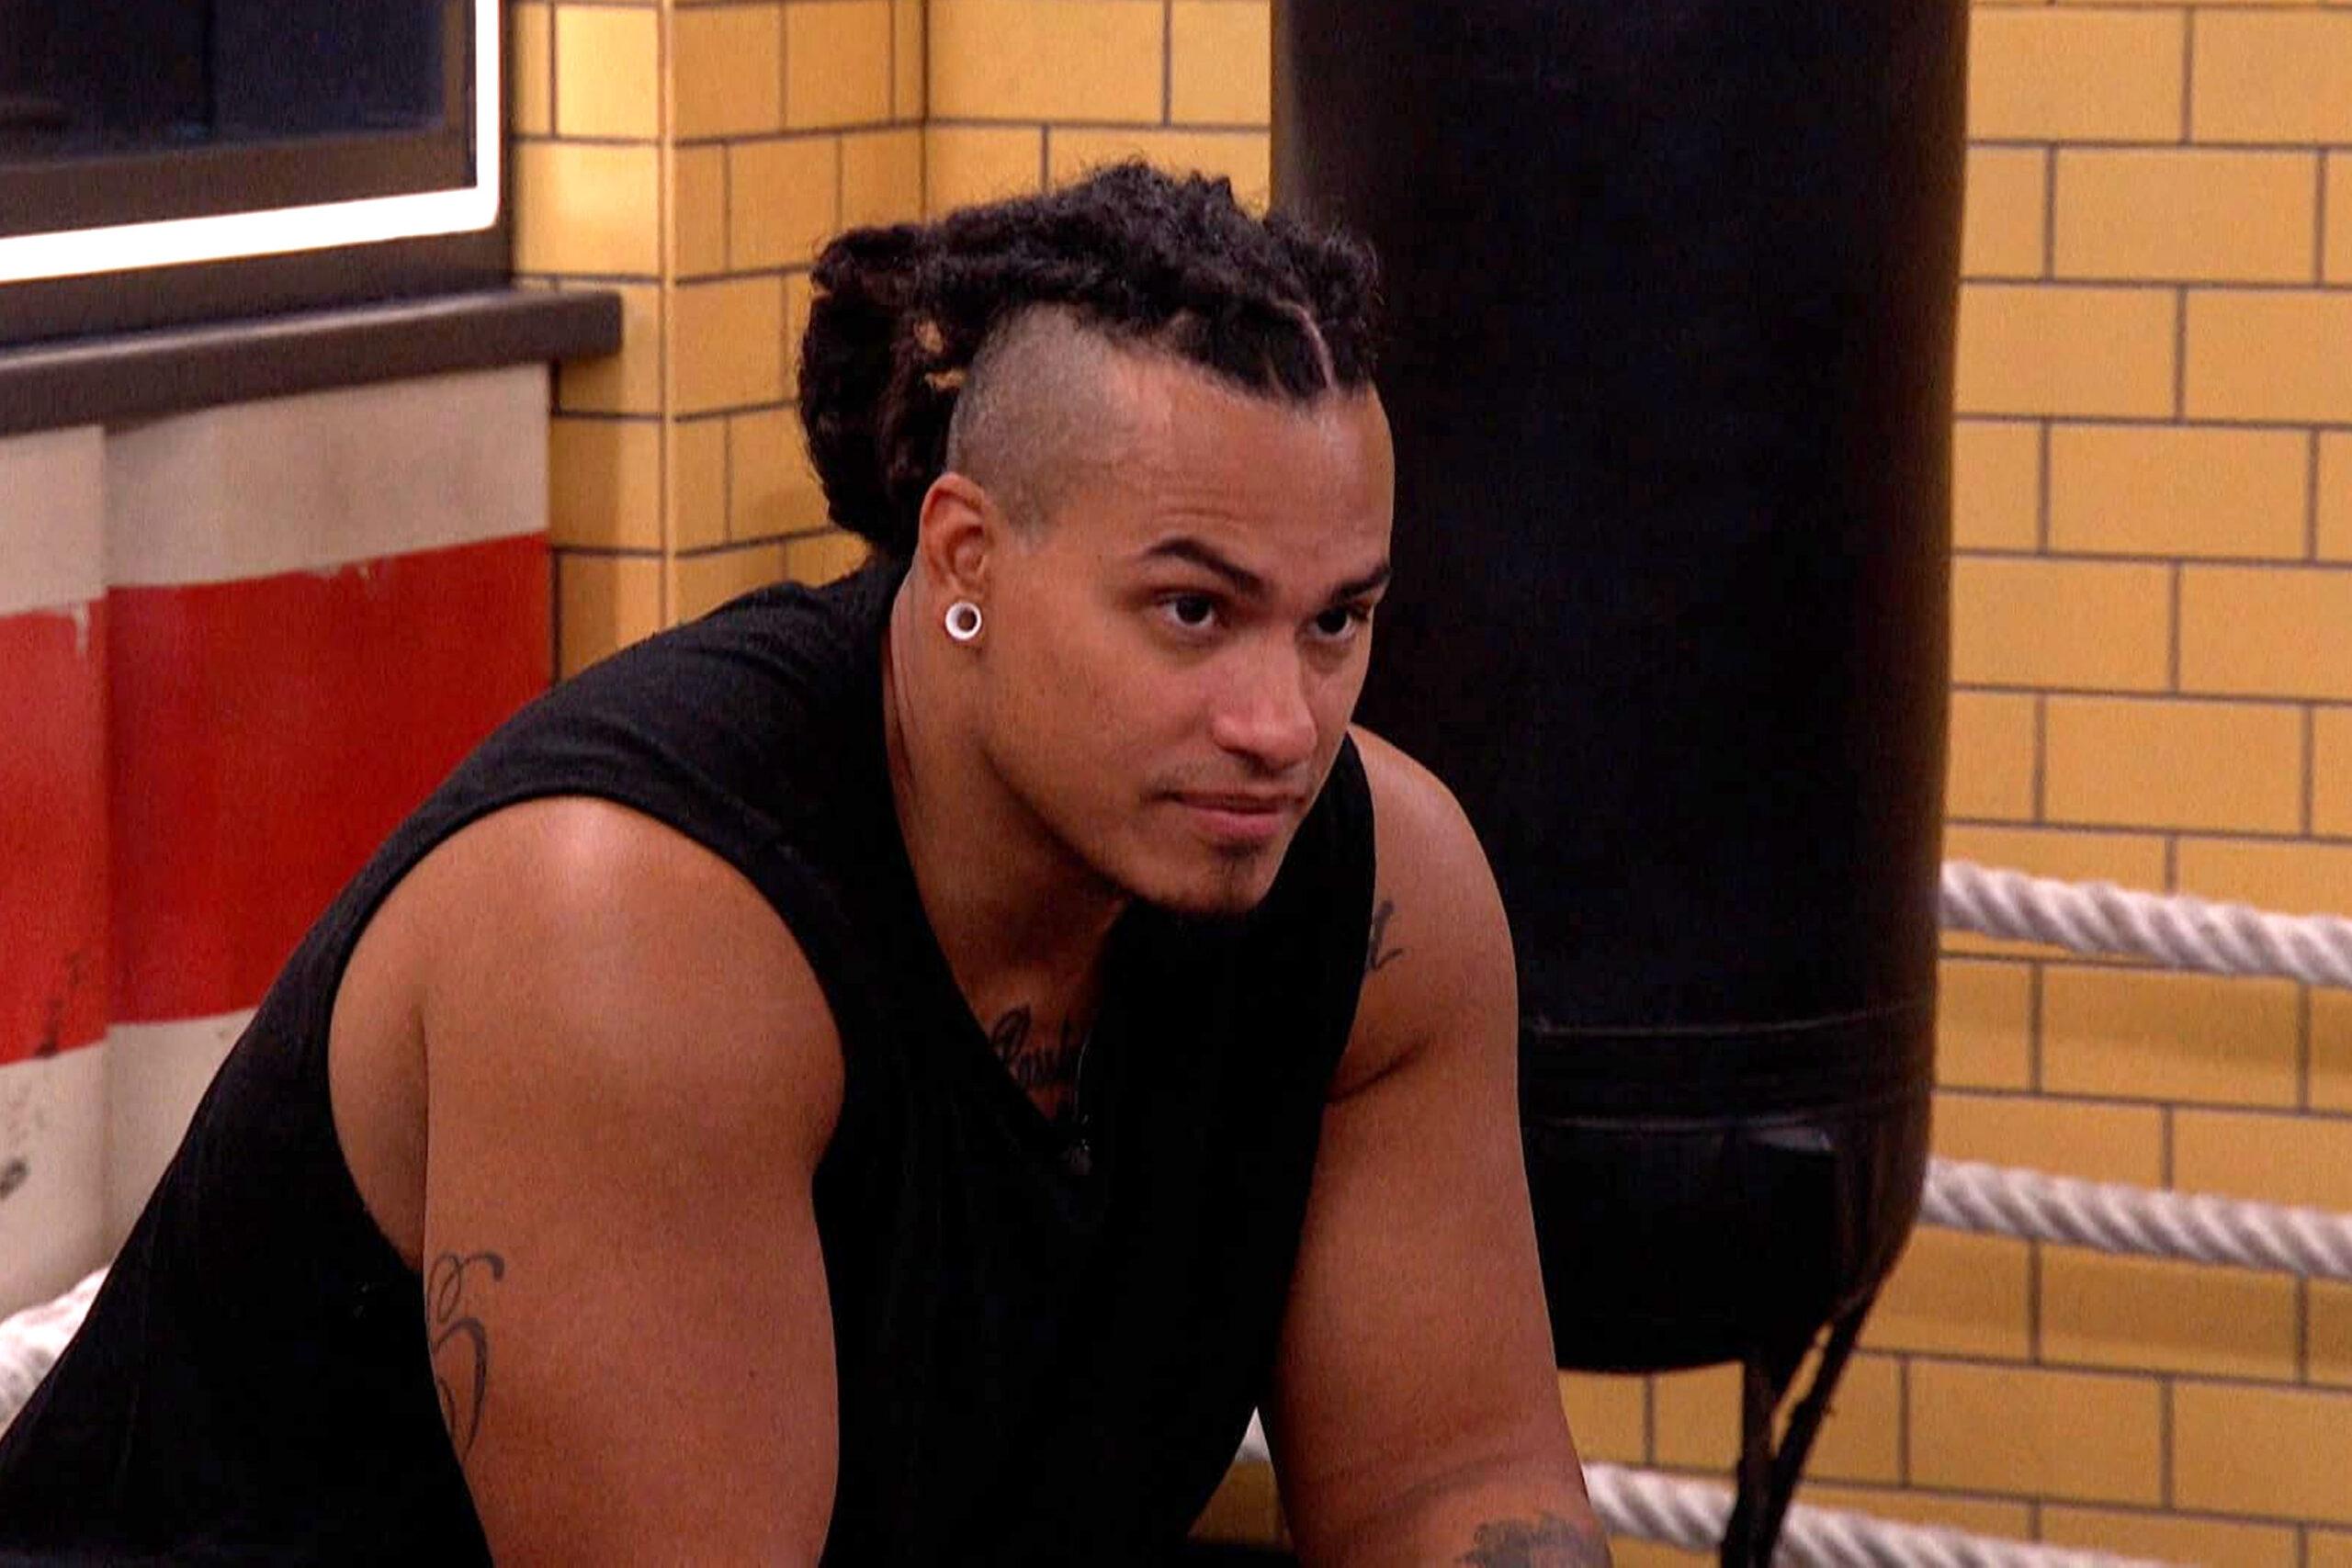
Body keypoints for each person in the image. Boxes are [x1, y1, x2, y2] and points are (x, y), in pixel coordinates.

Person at [0, 164, 1605, 1565]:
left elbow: (1449, 1487)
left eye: (1336, 620)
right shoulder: (642, 927)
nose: (1280, 723)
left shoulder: (1384, 901)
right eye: (1194, 610)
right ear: (967, 556)